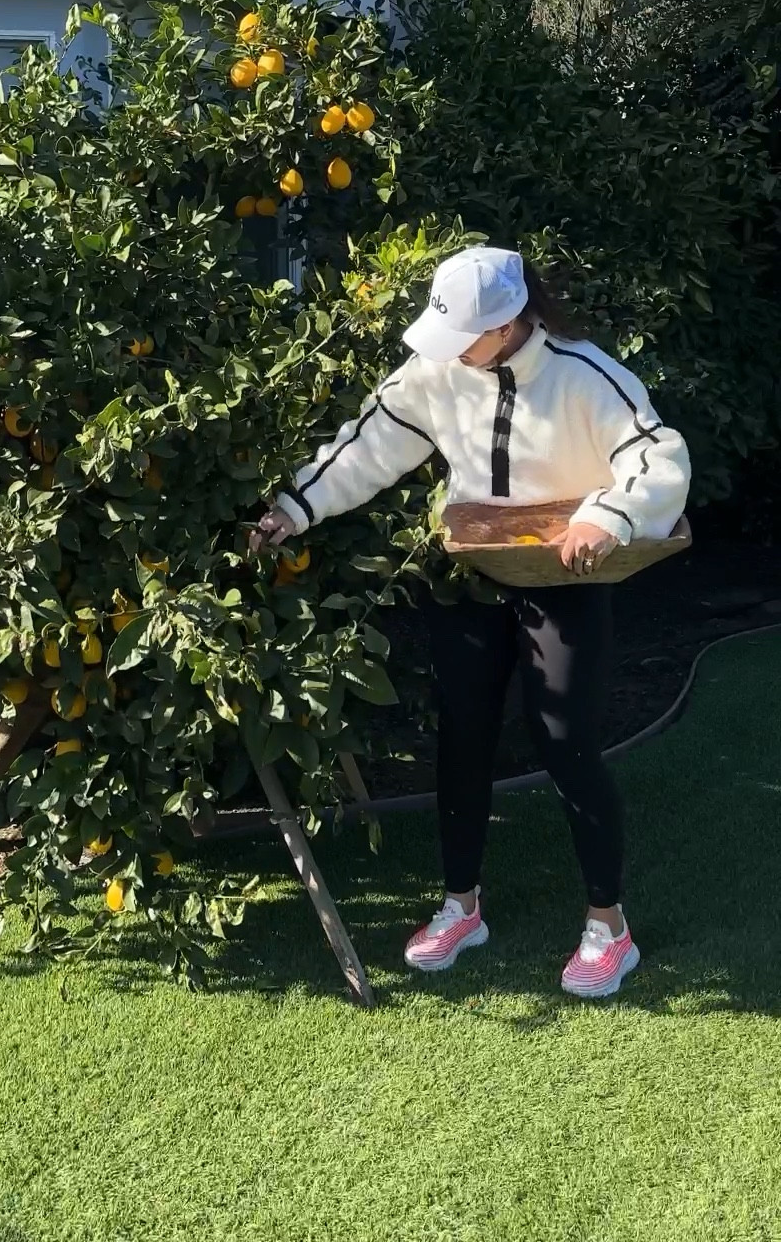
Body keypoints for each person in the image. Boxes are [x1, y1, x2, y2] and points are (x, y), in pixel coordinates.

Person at [250, 246, 690, 999]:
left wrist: (608, 515)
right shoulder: (438, 371)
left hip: (567, 581)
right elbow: (370, 441)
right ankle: (461, 905)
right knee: (462, 738)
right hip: (469, 576)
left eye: (467, 336)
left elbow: (659, 457)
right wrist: (294, 508)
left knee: (568, 745)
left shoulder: (587, 375)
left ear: (512, 323)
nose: (452, 350)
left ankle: (607, 926)